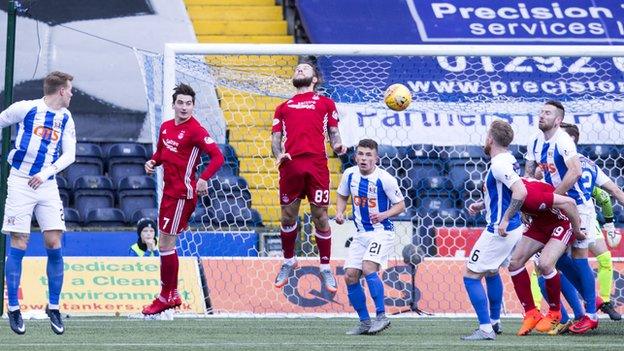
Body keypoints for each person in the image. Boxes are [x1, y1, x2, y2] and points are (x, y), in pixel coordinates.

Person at [1, 71, 76, 335]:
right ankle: (13, 308)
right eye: (70, 90)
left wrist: (46, 173)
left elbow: (70, 154)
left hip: (47, 183)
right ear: (60, 91)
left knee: (54, 242)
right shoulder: (26, 108)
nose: (72, 94)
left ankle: (53, 306)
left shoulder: (65, 118)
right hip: (21, 181)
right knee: (19, 241)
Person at [142, 83, 224, 315]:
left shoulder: (196, 130)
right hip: (169, 193)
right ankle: (169, 294)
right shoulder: (166, 127)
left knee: (166, 244)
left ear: (193, 106)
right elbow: (161, 153)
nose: (184, 107)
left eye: (189, 103)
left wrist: (204, 178)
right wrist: (153, 161)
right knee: (165, 245)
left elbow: (217, 156)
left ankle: (167, 295)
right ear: (173, 104)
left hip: (182, 195)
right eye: (181, 103)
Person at [271, 62, 347, 292]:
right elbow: (275, 138)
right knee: (287, 216)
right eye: (297, 69)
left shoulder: (325, 103)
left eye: (305, 69)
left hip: (316, 164)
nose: (299, 70)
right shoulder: (283, 107)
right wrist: (278, 154)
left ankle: (325, 267)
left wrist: (338, 145)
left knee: (320, 216)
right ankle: (288, 260)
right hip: (291, 165)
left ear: (315, 78)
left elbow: (334, 132)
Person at [524, 100, 599, 334]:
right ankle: (586, 303)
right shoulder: (535, 141)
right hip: (552, 207)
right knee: (551, 261)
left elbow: (575, 171)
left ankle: (591, 314)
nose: (541, 116)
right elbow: (530, 172)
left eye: (547, 113)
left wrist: (553, 196)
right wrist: (530, 203)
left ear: (558, 120)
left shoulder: (564, 141)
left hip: (576, 205)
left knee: (578, 256)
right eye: (540, 112)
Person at [462, 120, 526, 341]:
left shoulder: (499, 164)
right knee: (491, 271)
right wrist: (483, 205)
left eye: (486, 136)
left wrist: (505, 219)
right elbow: (507, 192)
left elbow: (520, 191)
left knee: (470, 276)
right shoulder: (509, 159)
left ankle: (485, 329)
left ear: (490, 139)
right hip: (511, 227)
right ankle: (495, 321)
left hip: (499, 230)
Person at [335, 139, 405, 335]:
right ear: (355, 156)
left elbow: (401, 205)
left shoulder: (385, 179)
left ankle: (381, 317)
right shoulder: (349, 174)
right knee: (350, 275)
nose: (363, 158)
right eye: (360, 154)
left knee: (368, 267)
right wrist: (339, 212)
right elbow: (342, 195)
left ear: (376, 159)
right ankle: (365, 322)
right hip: (361, 234)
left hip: (382, 232)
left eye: (368, 155)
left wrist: (384, 215)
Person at [506, 177, 585, 336]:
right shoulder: (504, 187)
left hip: (561, 223)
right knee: (514, 263)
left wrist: (577, 230)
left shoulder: (531, 195)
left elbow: (570, 203)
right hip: (539, 224)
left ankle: (557, 312)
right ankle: (531, 313)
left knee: (545, 264)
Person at [560, 122, 622, 321]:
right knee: (596, 260)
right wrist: (610, 226)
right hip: (585, 215)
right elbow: (610, 194)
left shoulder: (558, 163)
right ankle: (595, 304)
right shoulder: (588, 163)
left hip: (567, 214)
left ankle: (587, 308)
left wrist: (610, 225)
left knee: (551, 265)